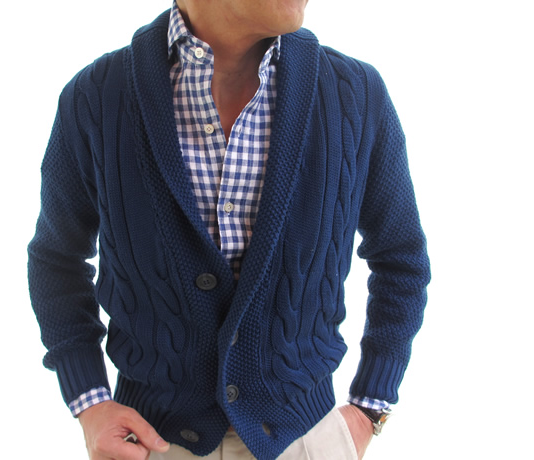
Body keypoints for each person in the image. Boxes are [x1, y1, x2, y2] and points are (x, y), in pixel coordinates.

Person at [27, 1, 431, 459]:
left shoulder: (354, 95)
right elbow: (57, 260)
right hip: (152, 442)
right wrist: (89, 401)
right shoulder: (97, 98)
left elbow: (401, 258)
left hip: (306, 439)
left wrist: (369, 408)